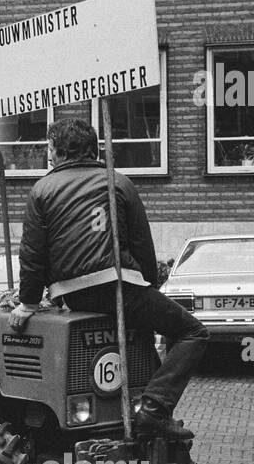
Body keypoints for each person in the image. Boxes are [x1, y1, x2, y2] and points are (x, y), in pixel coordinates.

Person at [10, 118, 207, 439]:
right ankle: (154, 408)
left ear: (59, 152)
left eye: (49, 149)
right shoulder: (118, 183)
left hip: (73, 295)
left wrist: (28, 303)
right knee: (193, 332)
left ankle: (146, 408)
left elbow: (33, 255)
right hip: (119, 287)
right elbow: (142, 245)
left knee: (140, 331)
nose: (48, 155)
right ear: (94, 149)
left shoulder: (41, 190)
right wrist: (149, 289)